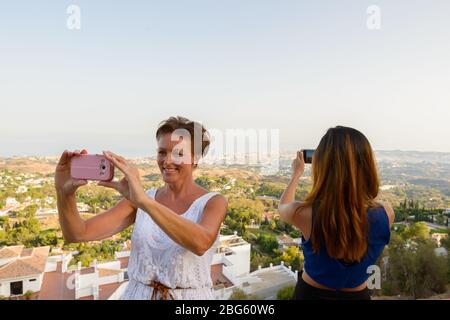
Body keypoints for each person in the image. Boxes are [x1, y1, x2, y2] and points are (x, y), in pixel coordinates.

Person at [55, 116, 228, 300]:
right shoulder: (141, 200)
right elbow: (77, 233)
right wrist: (64, 193)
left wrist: (144, 202)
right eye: (162, 152)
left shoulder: (213, 202)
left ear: (195, 158)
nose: (167, 161)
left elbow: (200, 243)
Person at [278, 126, 394, 300]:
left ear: (323, 165)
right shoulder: (386, 213)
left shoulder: (305, 213)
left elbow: (283, 207)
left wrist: (296, 174)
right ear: (366, 164)